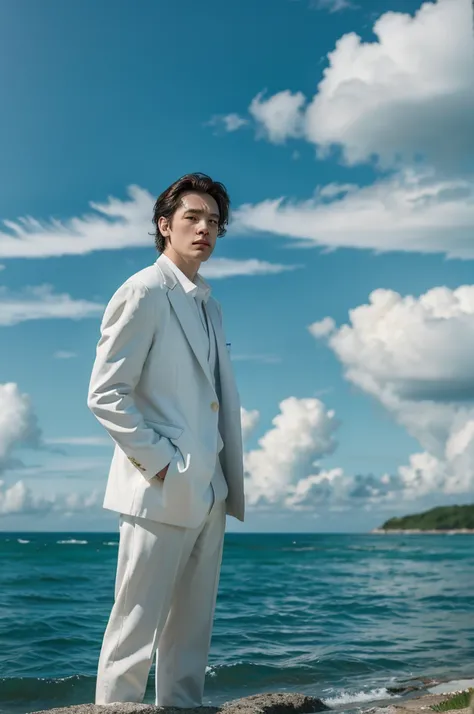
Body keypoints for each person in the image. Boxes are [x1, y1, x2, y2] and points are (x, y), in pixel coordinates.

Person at [87, 173, 245, 707]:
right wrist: (161, 464)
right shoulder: (143, 290)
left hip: (209, 490)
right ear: (165, 225)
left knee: (190, 637)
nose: (204, 229)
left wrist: (214, 479)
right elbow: (107, 393)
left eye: (214, 222)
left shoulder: (210, 302)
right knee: (133, 635)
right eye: (192, 218)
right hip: (159, 487)